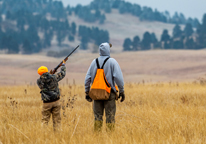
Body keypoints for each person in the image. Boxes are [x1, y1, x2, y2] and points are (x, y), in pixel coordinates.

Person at [85, 42, 125, 131]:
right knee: (110, 116)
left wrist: (87, 92)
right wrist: (121, 91)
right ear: (108, 50)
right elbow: (118, 78)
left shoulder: (94, 62)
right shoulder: (112, 61)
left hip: (96, 93)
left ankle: (97, 136)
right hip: (109, 93)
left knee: (97, 117)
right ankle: (110, 136)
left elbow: (87, 78)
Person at [37, 60, 66, 131]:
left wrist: (50, 74)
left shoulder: (39, 81)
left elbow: (45, 80)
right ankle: (58, 135)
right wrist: (63, 65)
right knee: (57, 120)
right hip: (56, 101)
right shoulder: (54, 77)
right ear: (47, 71)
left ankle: (43, 135)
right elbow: (63, 73)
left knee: (45, 120)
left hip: (46, 103)